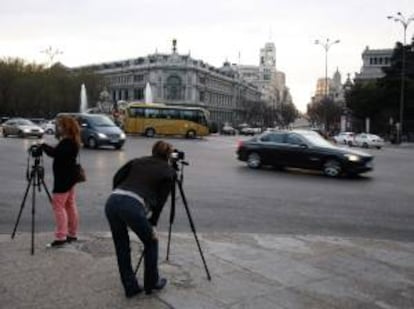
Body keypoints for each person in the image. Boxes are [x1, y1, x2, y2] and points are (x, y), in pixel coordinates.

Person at [105, 140, 176, 297]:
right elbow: (161, 201)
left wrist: (118, 193)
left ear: (153, 151)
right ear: (169, 155)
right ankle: (152, 282)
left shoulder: (137, 161)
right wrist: (153, 223)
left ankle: (130, 287)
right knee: (151, 242)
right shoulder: (168, 171)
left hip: (112, 201)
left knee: (121, 246)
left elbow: (117, 176)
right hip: (133, 204)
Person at [42, 115, 81, 247]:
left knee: (58, 206)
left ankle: (61, 236)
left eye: (59, 125)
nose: (57, 127)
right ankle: (72, 233)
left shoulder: (68, 142)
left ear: (65, 127)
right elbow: (59, 152)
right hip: (70, 178)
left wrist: (43, 146)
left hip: (63, 179)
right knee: (69, 205)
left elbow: (56, 153)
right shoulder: (71, 140)